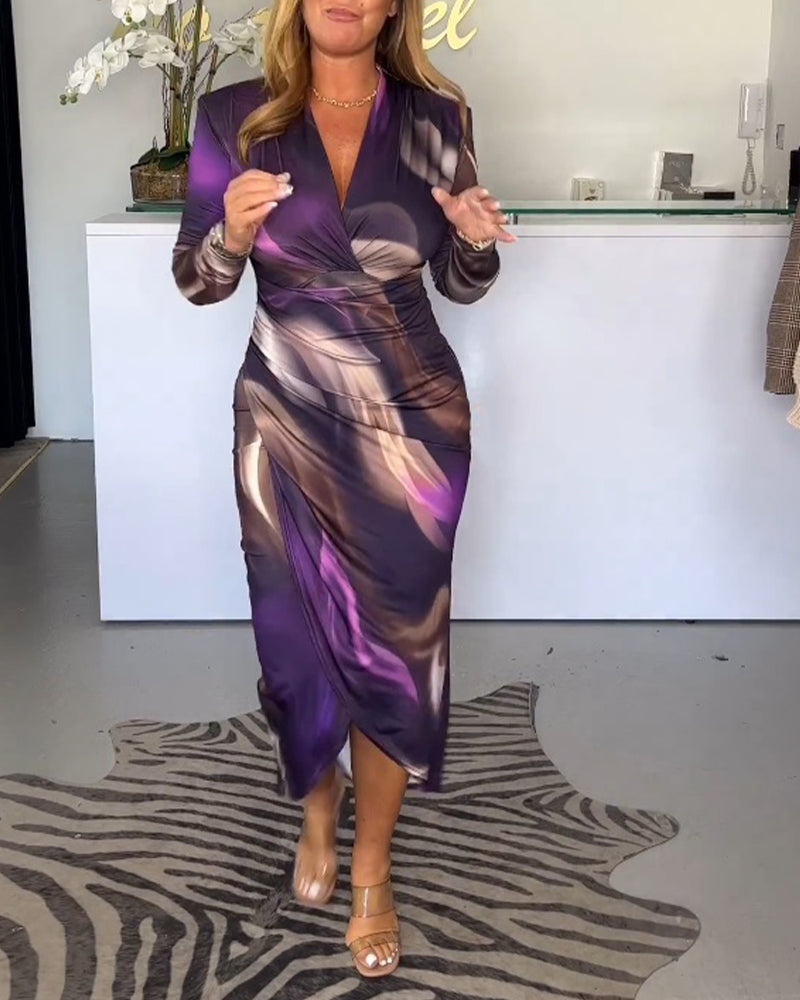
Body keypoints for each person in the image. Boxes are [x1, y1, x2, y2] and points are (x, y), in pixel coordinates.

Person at [172, 0, 510, 978]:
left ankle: (371, 870)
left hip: (412, 426)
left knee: (400, 649)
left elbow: (462, 280)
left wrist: (474, 241)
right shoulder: (235, 118)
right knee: (295, 638)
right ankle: (316, 810)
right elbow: (196, 280)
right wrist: (230, 235)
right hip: (283, 419)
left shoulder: (436, 117)